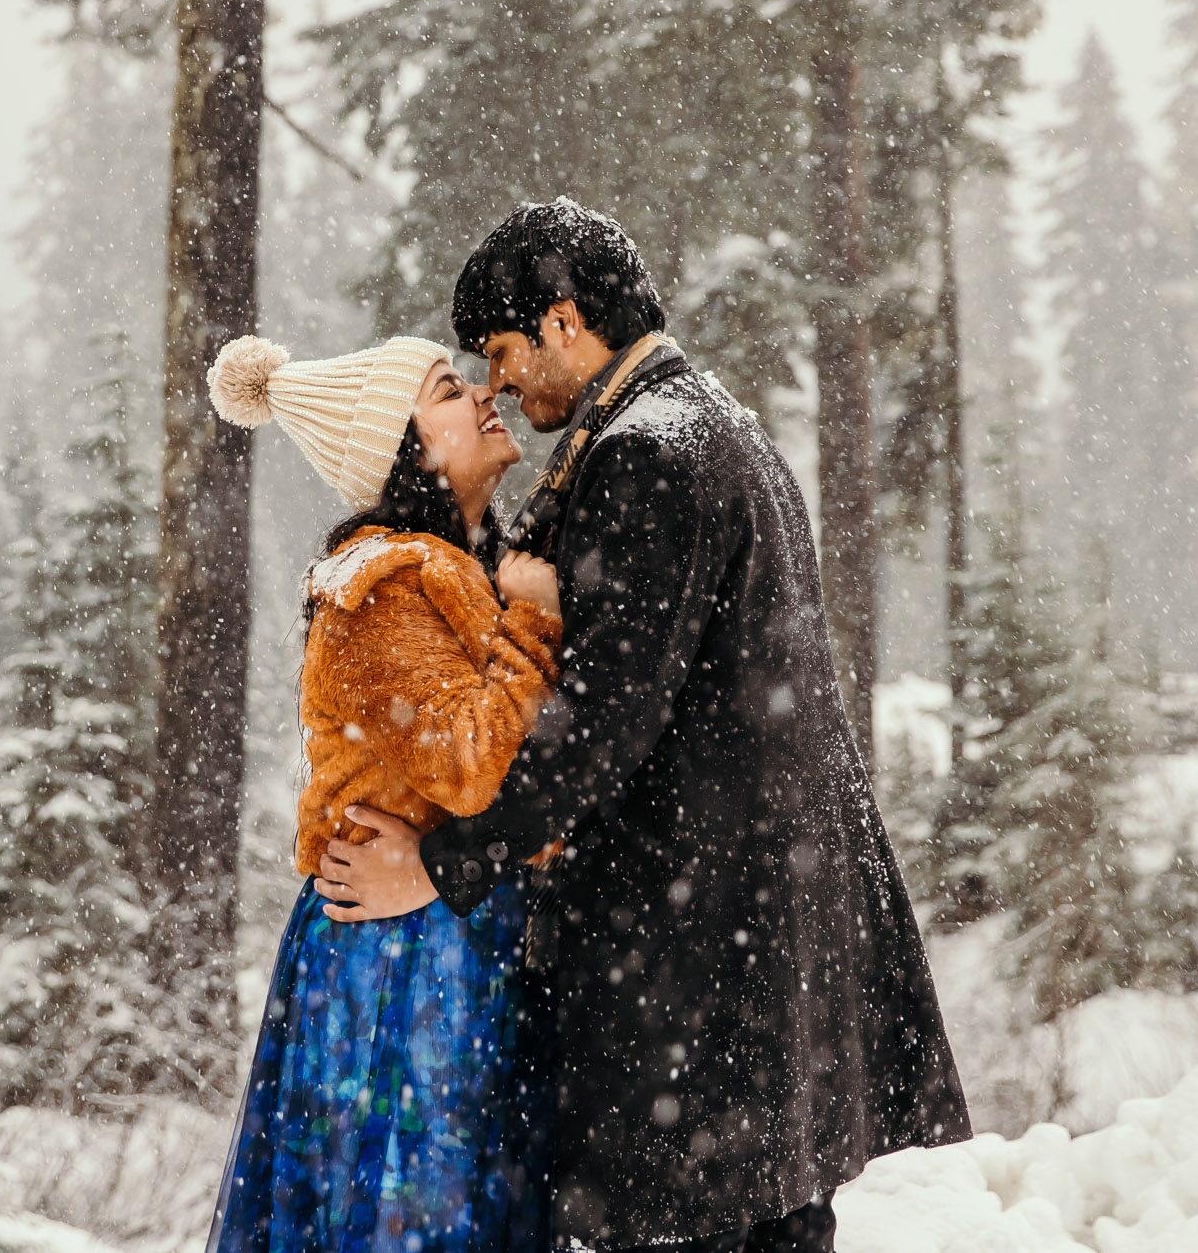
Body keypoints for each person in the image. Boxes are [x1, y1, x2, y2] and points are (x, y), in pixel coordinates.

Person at [315, 199, 972, 1253]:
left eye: (501, 350)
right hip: (760, 957)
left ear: (564, 322)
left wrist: (444, 861)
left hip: (699, 976)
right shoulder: (716, 426)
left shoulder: (649, 453)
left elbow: (602, 725)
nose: (497, 385)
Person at [199, 331, 566, 1253]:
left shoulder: (449, 576)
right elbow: (473, 763)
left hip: (439, 932)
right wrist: (535, 623)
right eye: (448, 390)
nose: (484, 394)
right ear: (402, 452)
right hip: (400, 964)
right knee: (411, 1212)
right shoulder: (383, 589)